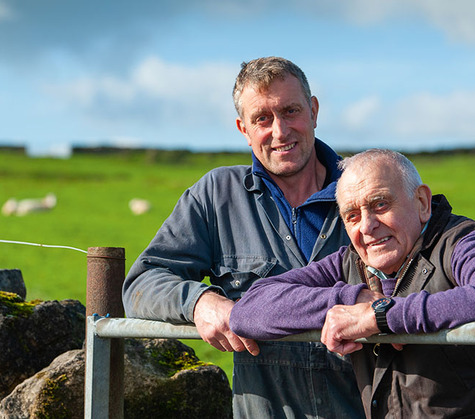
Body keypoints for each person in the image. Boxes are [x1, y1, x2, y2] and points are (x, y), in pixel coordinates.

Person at [122, 56, 365, 418]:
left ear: (313, 111)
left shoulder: (366, 187)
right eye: (262, 119)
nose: (280, 131)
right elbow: (142, 282)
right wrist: (201, 302)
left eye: (291, 111)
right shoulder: (217, 196)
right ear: (243, 129)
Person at [230, 148, 475, 418]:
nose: (367, 226)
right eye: (352, 216)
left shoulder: (463, 242)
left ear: (422, 203)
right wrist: (349, 300)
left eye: (380, 204)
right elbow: (248, 310)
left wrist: (379, 316)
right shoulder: (349, 264)